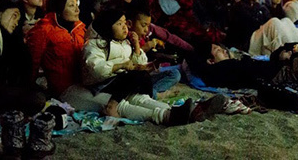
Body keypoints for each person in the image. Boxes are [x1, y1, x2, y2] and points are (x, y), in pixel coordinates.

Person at [82, 7, 220, 125]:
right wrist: (120, 66)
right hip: (104, 83)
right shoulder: (95, 44)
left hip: (122, 81)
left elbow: (138, 63)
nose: (125, 27)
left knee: (143, 90)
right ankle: (164, 116)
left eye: (124, 23)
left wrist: (137, 48)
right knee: (135, 86)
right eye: (119, 24)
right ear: (107, 26)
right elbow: (95, 68)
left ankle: (181, 112)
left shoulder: (124, 43)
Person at [26, 0, 86, 97]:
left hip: (84, 84)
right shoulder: (44, 30)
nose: (77, 10)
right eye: (72, 6)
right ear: (59, 9)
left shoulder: (79, 28)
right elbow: (32, 64)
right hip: (62, 90)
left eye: (77, 5)